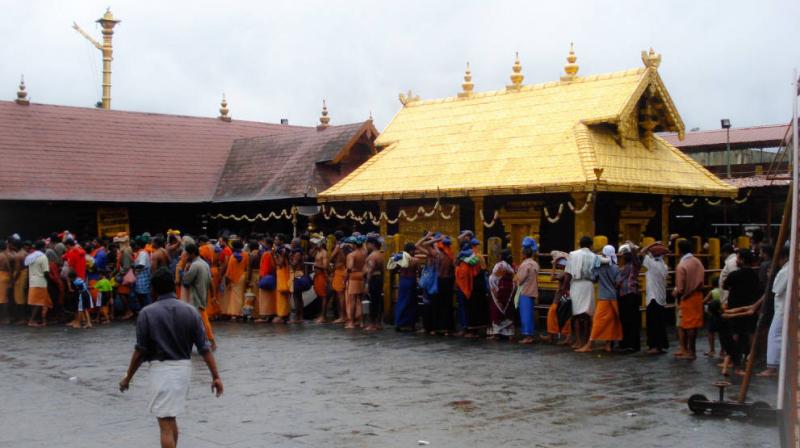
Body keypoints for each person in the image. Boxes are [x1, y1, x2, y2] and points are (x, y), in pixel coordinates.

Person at [119, 267, 223, 448]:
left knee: (165, 424)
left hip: (161, 371)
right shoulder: (190, 311)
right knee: (170, 418)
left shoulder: (147, 313)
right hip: (183, 370)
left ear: (154, 289)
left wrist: (128, 378)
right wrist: (216, 376)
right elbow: (204, 349)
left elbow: (140, 351)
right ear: (174, 287)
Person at [719, 249, 760, 374]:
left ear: (742, 260)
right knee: (747, 335)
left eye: (737, 258)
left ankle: (731, 363)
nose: (736, 260)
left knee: (735, 337)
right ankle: (746, 362)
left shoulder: (734, 275)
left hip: (734, 310)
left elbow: (725, 286)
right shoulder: (754, 275)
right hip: (749, 309)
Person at [576, 245, 622, 353]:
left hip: (603, 297)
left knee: (597, 322)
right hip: (613, 297)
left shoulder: (599, 266)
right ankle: (607, 345)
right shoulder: (616, 267)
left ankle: (589, 345)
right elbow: (618, 283)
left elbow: (593, 278)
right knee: (611, 322)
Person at [758, 244, 790, 377]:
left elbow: (776, 289)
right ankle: (776, 365)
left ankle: (772, 368)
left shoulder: (785, 271)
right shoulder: (786, 269)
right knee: (778, 336)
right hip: (782, 308)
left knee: (774, 336)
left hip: (782, 309)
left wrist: (771, 276)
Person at [672, 239, 705, 360]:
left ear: (679, 250)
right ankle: (692, 351)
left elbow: (680, 288)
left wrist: (675, 293)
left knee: (687, 325)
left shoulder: (682, 265)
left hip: (687, 297)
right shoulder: (698, 262)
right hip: (698, 295)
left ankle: (690, 352)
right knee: (694, 325)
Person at [564, 236, 598, 349]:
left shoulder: (572, 255)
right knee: (587, 315)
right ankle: (587, 341)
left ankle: (578, 341)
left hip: (576, 285)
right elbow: (597, 275)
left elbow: (567, 273)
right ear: (591, 245)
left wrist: (565, 288)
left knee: (576, 315)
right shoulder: (595, 257)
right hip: (588, 285)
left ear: (580, 244)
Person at [182, 243, 216, 351]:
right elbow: (211, 282)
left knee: (202, 322)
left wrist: (186, 269)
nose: (185, 256)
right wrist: (213, 295)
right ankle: (190, 344)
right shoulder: (205, 264)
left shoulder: (195, 265)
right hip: (203, 297)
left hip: (196, 299)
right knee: (195, 322)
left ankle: (212, 342)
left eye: (186, 254)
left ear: (191, 254)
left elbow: (186, 281)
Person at [641, 241, 670, 354]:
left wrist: (651, 244)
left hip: (652, 298)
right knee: (660, 323)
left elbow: (642, 252)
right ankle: (661, 345)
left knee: (652, 324)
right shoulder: (664, 265)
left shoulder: (651, 263)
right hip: (661, 297)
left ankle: (653, 346)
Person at [616, 242, 642, 352]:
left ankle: (632, 344)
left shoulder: (634, 265)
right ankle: (625, 343)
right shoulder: (622, 267)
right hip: (623, 295)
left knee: (632, 320)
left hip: (631, 294)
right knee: (625, 320)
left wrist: (631, 246)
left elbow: (636, 256)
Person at [515, 237, 539, 344]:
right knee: (529, 313)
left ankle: (527, 336)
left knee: (525, 315)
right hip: (532, 291)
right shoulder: (535, 264)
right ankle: (530, 335)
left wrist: (515, 275)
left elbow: (519, 280)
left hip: (525, 291)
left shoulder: (524, 265)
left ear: (524, 254)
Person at [389, 243, 418, 331]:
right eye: (414, 250)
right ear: (410, 251)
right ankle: (410, 323)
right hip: (411, 280)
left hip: (403, 281)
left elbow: (394, 268)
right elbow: (419, 271)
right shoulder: (415, 260)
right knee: (411, 302)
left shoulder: (400, 259)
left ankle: (399, 322)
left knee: (401, 301)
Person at [487, 249, 515, 340]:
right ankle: (510, 334)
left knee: (496, 310)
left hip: (500, 288)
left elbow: (495, 276)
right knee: (508, 310)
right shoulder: (512, 265)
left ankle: (496, 334)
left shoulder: (500, 265)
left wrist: (494, 289)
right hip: (509, 289)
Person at [25, 240, 52, 327]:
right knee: (39, 303)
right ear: (43, 247)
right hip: (40, 282)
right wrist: (50, 281)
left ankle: (36, 320)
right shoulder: (43, 257)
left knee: (34, 302)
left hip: (32, 282)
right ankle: (32, 321)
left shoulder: (31, 257)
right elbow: (46, 272)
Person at [222, 239, 248, 320]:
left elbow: (229, 271)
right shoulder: (246, 254)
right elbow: (247, 267)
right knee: (242, 296)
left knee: (235, 297)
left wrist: (227, 282)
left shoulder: (232, 257)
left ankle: (236, 313)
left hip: (235, 278)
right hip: (243, 276)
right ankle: (243, 312)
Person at [344, 236, 367, 329]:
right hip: (362, 276)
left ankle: (352, 322)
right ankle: (361, 322)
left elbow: (349, 267)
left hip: (353, 277)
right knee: (361, 300)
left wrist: (344, 279)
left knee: (352, 300)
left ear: (354, 244)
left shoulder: (352, 255)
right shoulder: (364, 254)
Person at [364, 235, 385, 331]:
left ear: (372, 244)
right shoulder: (381, 255)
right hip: (379, 278)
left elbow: (370, 270)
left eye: (367, 244)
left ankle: (372, 324)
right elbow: (383, 269)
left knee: (373, 301)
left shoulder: (372, 256)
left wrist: (367, 283)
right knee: (378, 300)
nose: (366, 246)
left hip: (373, 279)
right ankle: (378, 323)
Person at [256, 236, 276, 322]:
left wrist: (260, 278)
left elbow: (264, 268)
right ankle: (270, 314)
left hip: (266, 277)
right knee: (271, 297)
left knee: (265, 298)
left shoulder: (266, 254)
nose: (262, 244)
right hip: (272, 277)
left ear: (267, 244)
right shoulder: (272, 252)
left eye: (264, 242)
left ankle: (265, 316)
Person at [310, 235, 330, 323]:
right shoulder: (317, 251)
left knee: (323, 297)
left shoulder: (324, 252)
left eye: (315, 243)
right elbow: (310, 254)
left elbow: (325, 266)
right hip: (317, 276)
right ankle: (321, 315)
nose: (313, 245)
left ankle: (323, 317)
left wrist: (316, 265)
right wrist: (314, 248)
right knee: (319, 296)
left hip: (322, 275)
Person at [273, 234, 292, 323]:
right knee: (286, 295)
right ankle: (286, 314)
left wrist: (275, 257)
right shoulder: (286, 249)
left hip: (282, 272)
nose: (275, 241)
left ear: (281, 241)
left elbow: (280, 263)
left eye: (276, 240)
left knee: (281, 295)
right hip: (286, 272)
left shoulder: (280, 250)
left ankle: (281, 315)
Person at [330, 232, 348, 324]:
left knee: (340, 295)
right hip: (342, 269)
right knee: (341, 295)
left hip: (339, 270)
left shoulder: (338, 246)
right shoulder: (344, 246)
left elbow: (331, 257)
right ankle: (343, 315)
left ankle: (343, 316)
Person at [703, 283, 722, 357]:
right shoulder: (722, 290)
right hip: (721, 312)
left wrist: (709, 302)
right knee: (721, 332)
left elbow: (704, 300)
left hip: (713, 314)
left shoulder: (712, 291)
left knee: (710, 332)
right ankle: (722, 351)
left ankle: (712, 350)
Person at [133, 238, 152, 312]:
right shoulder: (141, 252)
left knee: (144, 296)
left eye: (135, 244)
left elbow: (141, 265)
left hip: (143, 277)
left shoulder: (143, 253)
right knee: (141, 295)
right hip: (140, 277)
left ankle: (148, 312)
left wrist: (133, 268)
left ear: (138, 245)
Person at [718, 243, 738, 307]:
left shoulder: (731, 262)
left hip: (729, 300)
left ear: (726, 253)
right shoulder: (732, 261)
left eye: (721, 253)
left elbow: (735, 281)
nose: (721, 256)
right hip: (728, 298)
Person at [0, 240, 12, 324]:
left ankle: (4, 318)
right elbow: (9, 268)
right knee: (3, 299)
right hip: (4, 276)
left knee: (3, 299)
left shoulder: (2, 256)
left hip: (2, 277)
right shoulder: (5, 255)